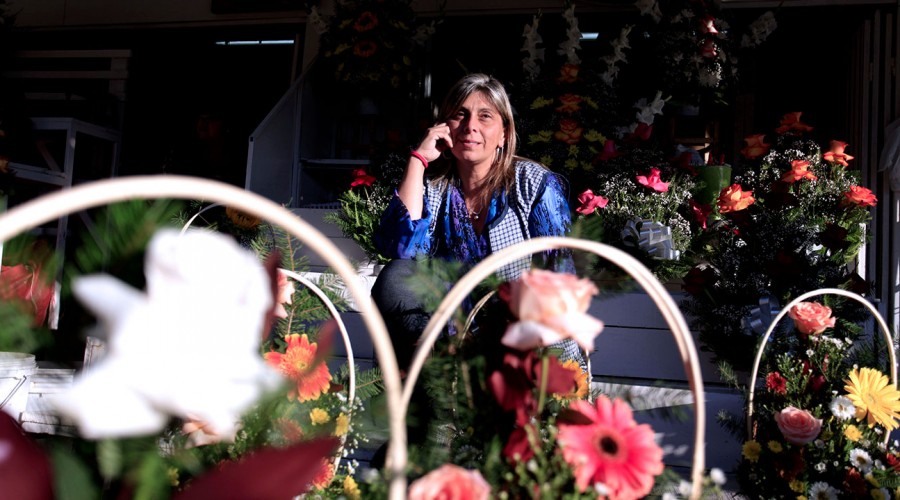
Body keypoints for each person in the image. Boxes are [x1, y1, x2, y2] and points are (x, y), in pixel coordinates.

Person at [371, 73, 580, 371]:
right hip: (443, 333)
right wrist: (418, 161)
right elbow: (399, 247)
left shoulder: (534, 185)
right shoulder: (435, 188)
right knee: (396, 276)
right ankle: (430, 385)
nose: (470, 127)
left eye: (485, 116)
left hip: (515, 335)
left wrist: (560, 369)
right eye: (460, 115)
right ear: (445, 127)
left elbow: (559, 275)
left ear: (504, 134)